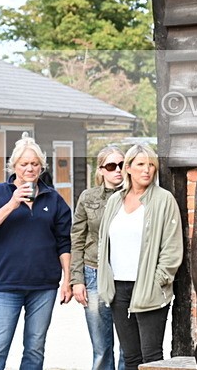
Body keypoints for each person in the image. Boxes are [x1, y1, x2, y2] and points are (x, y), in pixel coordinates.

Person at [0, 134, 72, 370]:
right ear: (14, 166)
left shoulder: (54, 198)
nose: (30, 168)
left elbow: (64, 242)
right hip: (6, 284)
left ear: (41, 166)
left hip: (44, 286)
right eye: (24, 164)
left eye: (35, 164)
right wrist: (11, 203)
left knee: (35, 349)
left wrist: (67, 279)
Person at [97, 144, 183, 368]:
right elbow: (103, 243)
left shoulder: (164, 200)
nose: (147, 170)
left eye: (151, 165)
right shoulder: (115, 201)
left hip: (149, 288)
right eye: (141, 164)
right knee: (130, 357)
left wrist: (158, 281)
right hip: (118, 289)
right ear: (128, 168)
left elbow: (172, 248)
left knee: (152, 357)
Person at [71, 145, 126, 370]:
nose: (118, 170)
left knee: (129, 347)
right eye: (112, 166)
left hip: (126, 274)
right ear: (101, 170)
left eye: (123, 165)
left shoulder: (135, 196)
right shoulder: (87, 197)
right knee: (101, 348)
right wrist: (77, 280)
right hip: (93, 272)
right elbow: (77, 239)